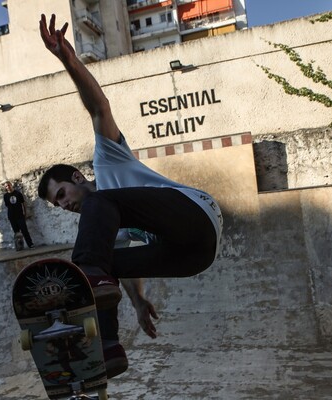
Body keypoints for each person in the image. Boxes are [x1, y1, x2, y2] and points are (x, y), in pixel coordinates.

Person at [37, 15, 223, 379]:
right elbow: (123, 268)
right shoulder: (101, 225)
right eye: (57, 204)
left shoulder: (108, 159)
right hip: (196, 257)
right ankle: (109, 348)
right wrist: (138, 303)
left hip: (197, 214)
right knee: (108, 263)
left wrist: (69, 60)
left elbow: (99, 108)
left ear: (77, 177)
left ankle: (86, 277)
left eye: (62, 194)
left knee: (98, 217)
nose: (65, 204)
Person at [3, 181, 35, 249]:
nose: (8, 187)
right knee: (16, 233)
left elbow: (23, 204)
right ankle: (19, 247)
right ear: (5, 188)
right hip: (12, 216)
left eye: (9, 185)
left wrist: (25, 213)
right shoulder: (5, 196)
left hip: (20, 215)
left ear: (11, 185)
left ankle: (30, 244)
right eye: (6, 186)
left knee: (24, 230)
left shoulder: (18, 193)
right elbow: (7, 206)